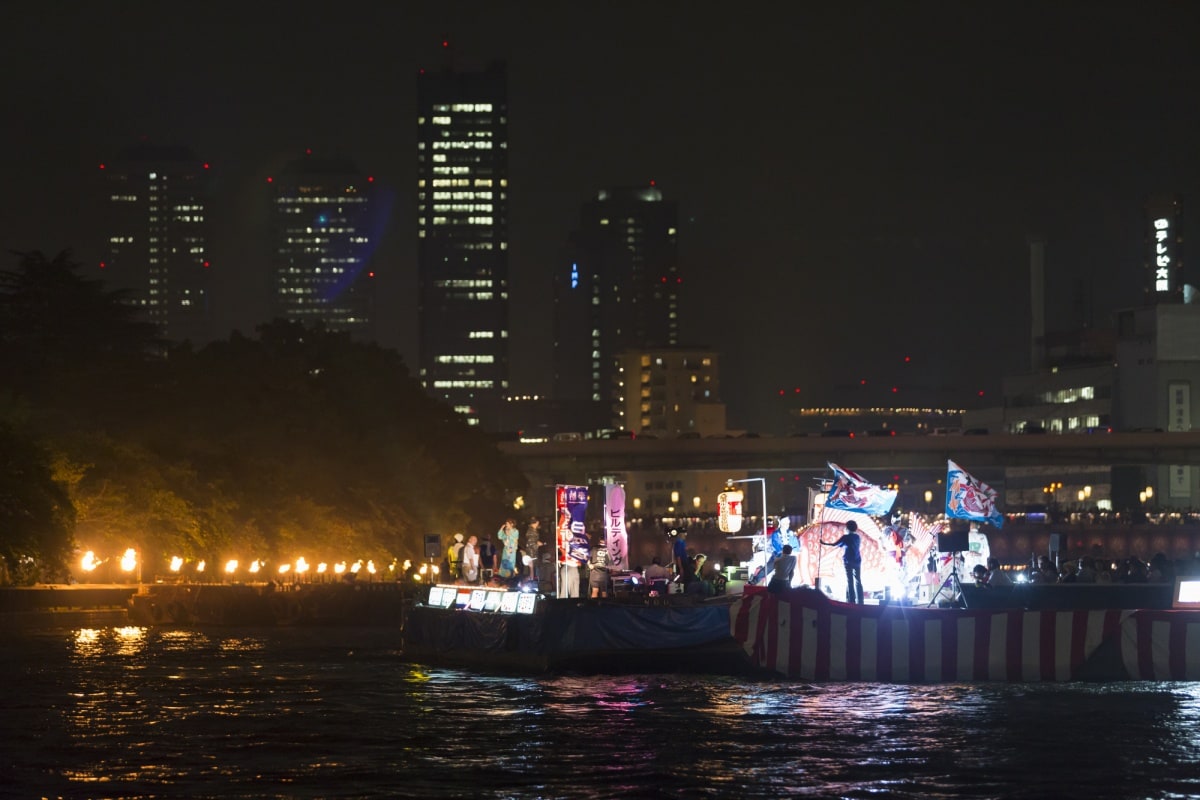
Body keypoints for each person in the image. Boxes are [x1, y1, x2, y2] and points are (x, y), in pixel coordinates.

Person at [821, 520, 864, 604]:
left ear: (847, 528)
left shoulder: (846, 537)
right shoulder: (857, 537)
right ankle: (860, 600)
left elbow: (835, 544)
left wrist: (824, 543)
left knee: (850, 580)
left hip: (848, 560)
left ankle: (851, 601)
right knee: (858, 580)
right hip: (857, 560)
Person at [588, 534, 610, 598]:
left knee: (595, 591)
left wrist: (589, 564)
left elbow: (587, 557)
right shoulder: (608, 550)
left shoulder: (594, 548)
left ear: (599, 540)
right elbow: (610, 562)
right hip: (603, 573)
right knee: (604, 591)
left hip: (595, 572)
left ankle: (593, 605)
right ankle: (605, 606)